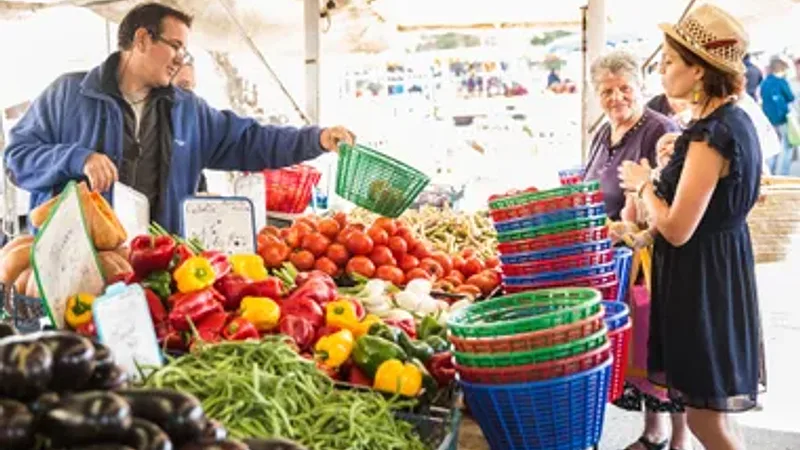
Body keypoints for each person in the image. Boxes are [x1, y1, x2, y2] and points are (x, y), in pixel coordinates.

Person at [3, 3, 354, 234]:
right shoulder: (67, 94)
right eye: (175, 47)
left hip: (155, 262)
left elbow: (252, 141)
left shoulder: (188, 109)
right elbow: (16, 160)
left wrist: (316, 139)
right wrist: (77, 158)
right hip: (79, 264)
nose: (180, 59)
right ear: (142, 39)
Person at [619, 5, 762, 449]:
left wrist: (644, 186)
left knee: (706, 424)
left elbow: (679, 228)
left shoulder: (712, 133)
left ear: (698, 71)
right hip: (719, 270)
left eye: (668, 63)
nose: (661, 73)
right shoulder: (733, 121)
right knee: (711, 417)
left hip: (704, 281)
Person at [584, 50, 680, 221]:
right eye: (607, 92)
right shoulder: (603, 132)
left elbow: (673, 204)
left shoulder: (661, 130)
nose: (617, 97)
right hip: (602, 241)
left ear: (640, 87)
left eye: (625, 88)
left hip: (636, 243)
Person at [760, 55, 795, 175]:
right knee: (786, 148)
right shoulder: (781, 82)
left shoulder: (764, 83)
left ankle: (772, 173)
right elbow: (790, 97)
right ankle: (784, 174)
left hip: (768, 119)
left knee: (772, 147)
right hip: (782, 119)